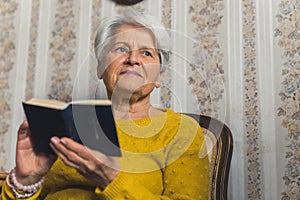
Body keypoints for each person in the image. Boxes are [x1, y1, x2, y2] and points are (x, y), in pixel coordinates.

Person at [1, 9, 209, 199]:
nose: (132, 59)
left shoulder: (179, 131)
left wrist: (111, 178)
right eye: (120, 49)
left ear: (159, 77)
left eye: (146, 53)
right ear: (101, 68)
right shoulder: (69, 124)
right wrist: (26, 179)